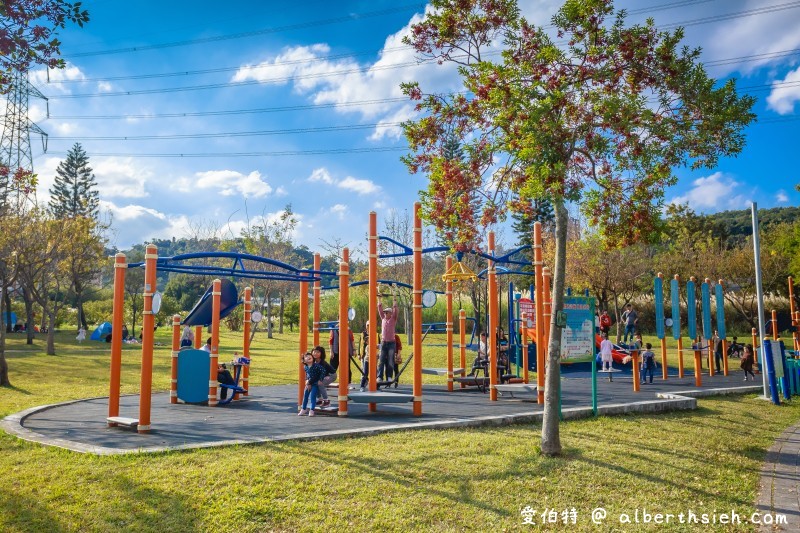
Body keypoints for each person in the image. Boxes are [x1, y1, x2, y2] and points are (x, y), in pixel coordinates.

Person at [377, 289, 399, 383]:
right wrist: (379, 299)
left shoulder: (393, 319)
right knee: (381, 360)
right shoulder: (383, 319)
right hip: (383, 342)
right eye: (385, 312)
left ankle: (389, 376)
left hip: (391, 343)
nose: (385, 313)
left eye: (387, 312)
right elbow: (379, 308)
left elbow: (395, 309)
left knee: (390, 360)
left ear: (390, 313)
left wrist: (394, 297)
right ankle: (380, 377)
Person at [299, 352, 325, 416]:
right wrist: (307, 381)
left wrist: (320, 379)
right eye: (306, 356)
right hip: (309, 383)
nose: (308, 357)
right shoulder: (306, 367)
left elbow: (323, 371)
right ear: (304, 360)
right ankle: (303, 408)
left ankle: (312, 410)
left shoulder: (316, 366)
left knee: (312, 397)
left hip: (315, 383)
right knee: (305, 396)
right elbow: (307, 375)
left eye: (310, 356)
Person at [359, 321, 372, 392]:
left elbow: (380, 345)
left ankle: (376, 386)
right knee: (365, 373)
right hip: (367, 359)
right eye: (367, 325)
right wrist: (359, 354)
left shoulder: (375, 334)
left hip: (373, 360)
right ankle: (362, 385)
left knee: (375, 373)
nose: (368, 326)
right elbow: (361, 344)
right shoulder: (367, 346)